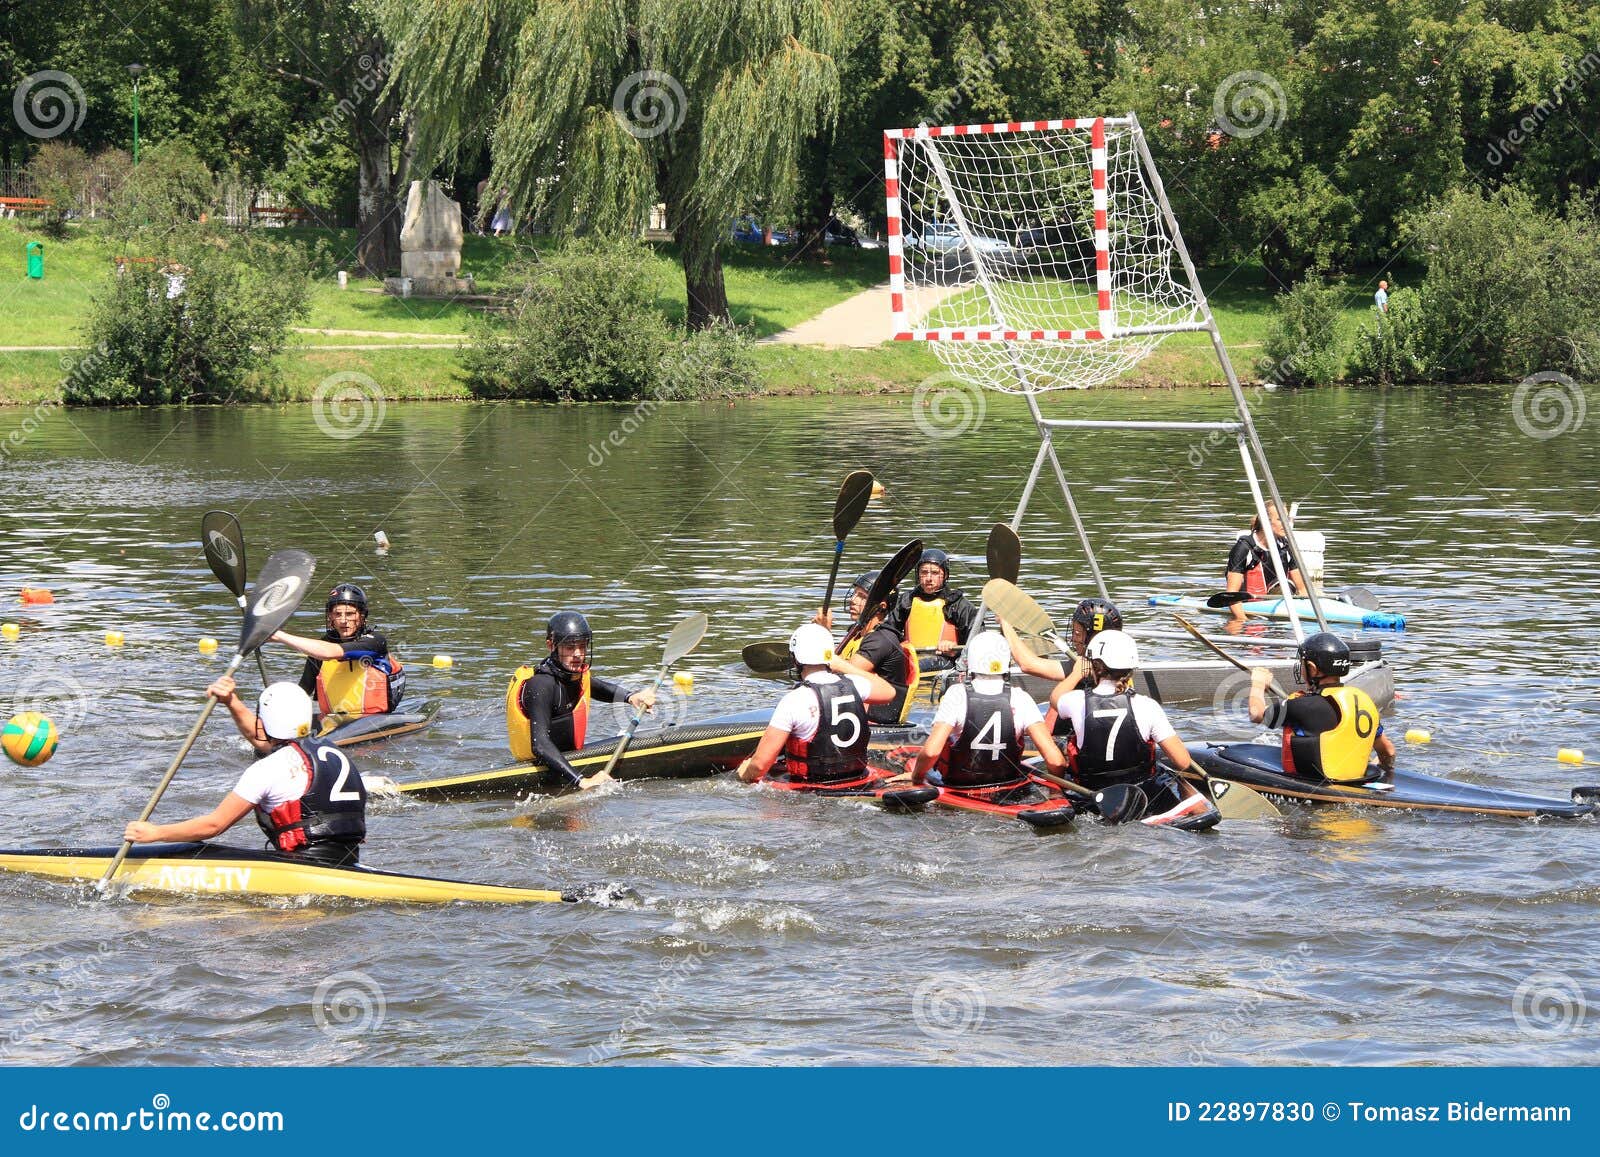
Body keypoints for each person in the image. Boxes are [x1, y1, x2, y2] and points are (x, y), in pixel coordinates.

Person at [123, 681, 367, 866]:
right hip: (349, 861)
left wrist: (156, 833)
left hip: (304, 865)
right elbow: (263, 739)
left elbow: (213, 825)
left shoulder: (268, 768)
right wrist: (231, 701)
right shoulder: (331, 751)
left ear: (266, 720)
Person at [1054, 630, 1214, 826]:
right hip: (1143, 796)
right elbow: (1182, 761)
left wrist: (1076, 673)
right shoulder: (1148, 706)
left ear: (1094, 666)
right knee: (1168, 774)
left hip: (1091, 796)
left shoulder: (1074, 701)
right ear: (1131, 669)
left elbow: (1056, 699)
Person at [506, 610, 656, 788]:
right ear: (551, 646)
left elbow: (598, 688)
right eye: (570, 647)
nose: (578, 654)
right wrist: (582, 781)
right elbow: (540, 745)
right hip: (536, 768)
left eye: (582, 646)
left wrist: (631, 697)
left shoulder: (574, 675)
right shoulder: (540, 685)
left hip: (569, 758)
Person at [736, 622, 896, 785]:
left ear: (795, 659)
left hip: (814, 786)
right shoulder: (856, 684)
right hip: (857, 776)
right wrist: (844, 666)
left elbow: (760, 764)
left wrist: (744, 773)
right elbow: (889, 692)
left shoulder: (794, 700)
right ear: (830, 656)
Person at [908, 631, 1067, 791]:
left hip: (958, 784)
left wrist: (916, 778)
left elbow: (930, 753)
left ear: (971, 662)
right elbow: (1056, 762)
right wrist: (1055, 792)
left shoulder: (956, 694)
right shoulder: (1021, 697)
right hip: (1008, 784)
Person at [1249, 632, 1395, 781]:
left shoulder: (1302, 706)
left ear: (1312, 669)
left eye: (1303, 664)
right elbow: (1388, 752)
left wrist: (1258, 684)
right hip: (1356, 782)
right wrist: (1383, 774)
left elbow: (1256, 714)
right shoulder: (1363, 701)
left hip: (1317, 787)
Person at [274, 583, 404, 723]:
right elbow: (303, 691)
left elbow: (331, 652)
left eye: (349, 614)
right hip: (332, 721)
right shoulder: (320, 647)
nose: (343, 620)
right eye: (337, 614)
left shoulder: (375, 642)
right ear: (330, 617)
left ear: (361, 616)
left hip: (373, 720)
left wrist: (279, 636)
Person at [814, 571, 918, 725]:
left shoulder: (881, 639)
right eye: (855, 594)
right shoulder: (856, 632)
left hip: (875, 720)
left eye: (862, 596)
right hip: (853, 710)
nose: (853, 600)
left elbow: (836, 671)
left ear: (881, 607)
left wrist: (824, 633)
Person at [883, 548, 979, 673]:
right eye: (924, 572)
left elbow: (978, 642)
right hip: (911, 660)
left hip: (948, 662)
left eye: (935, 573)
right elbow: (889, 632)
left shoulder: (958, 605)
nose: (928, 578)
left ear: (945, 575)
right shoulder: (907, 601)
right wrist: (900, 644)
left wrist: (955, 649)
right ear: (918, 575)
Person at [1223, 504, 1307, 621]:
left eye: (1286, 518)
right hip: (1246, 608)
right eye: (1279, 519)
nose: (1286, 523)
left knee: (1288, 585)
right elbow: (1231, 595)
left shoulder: (1286, 546)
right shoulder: (1243, 548)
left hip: (1278, 604)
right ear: (1265, 522)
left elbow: (1302, 590)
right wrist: (1243, 620)